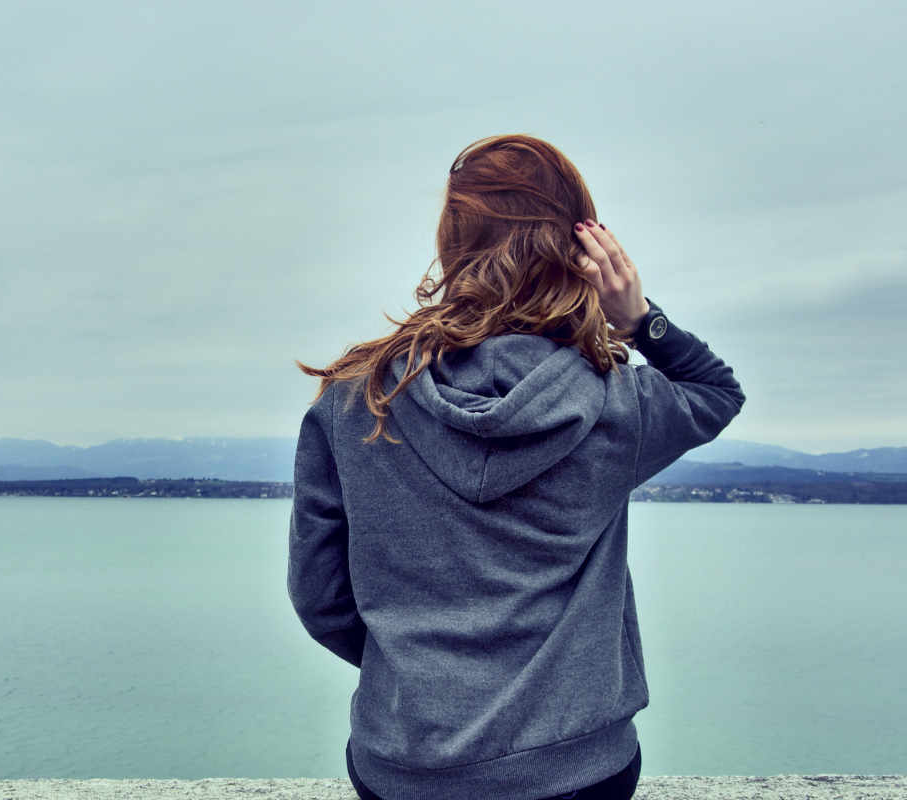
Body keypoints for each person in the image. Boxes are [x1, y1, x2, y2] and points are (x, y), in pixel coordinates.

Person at [287, 135, 744, 800]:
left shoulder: (356, 400)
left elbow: (318, 594)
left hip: (404, 767)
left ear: (450, 243)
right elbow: (715, 393)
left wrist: (413, 673)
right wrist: (639, 320)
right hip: (575, 771)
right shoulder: (612, 402)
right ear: (579, 248)